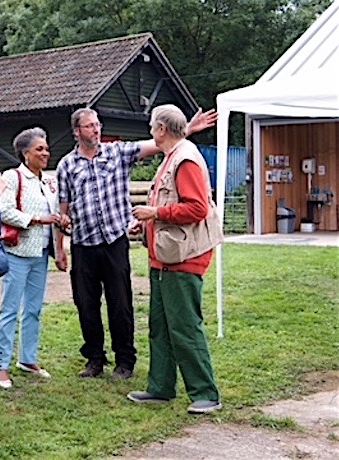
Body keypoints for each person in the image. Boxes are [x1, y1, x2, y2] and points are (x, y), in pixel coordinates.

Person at [55, 107, 217, 380]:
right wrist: (60, 246)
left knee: (120, 304)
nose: (96, 130)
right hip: (83, 244)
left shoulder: (117, 152)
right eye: (89, 126)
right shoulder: (66, 166)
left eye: (97, 124)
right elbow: (63, 209)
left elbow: (159, 142)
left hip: (114, 242)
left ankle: (124, 361)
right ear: (76, 132)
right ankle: (94, 359)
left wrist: (187, 127)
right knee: (86, 305)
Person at [127, 105, 223, 414]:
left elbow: (196, 209)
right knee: (161, 326)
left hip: (183, 259)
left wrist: (154, 213)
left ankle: (206, 393)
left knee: (184, 327)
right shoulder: (172, 157)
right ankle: (160, 388)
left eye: (152, 125)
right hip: (164, 259)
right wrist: (146, 223)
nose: (151, 130)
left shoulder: (185, 160)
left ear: (161, 129)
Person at [0, 128, 69, 389]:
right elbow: (3, 211)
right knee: (10, 310)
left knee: (34, 310)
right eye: (39, 149)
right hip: (17, 253)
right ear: (25, 153)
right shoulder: (12, 177)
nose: (45, 153)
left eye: (46, 149)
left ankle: (28, 358)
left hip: (41, 254)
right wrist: (36, 220)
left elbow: (55, 214)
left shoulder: (48, 182)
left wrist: (60, 245)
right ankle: (1, 366)